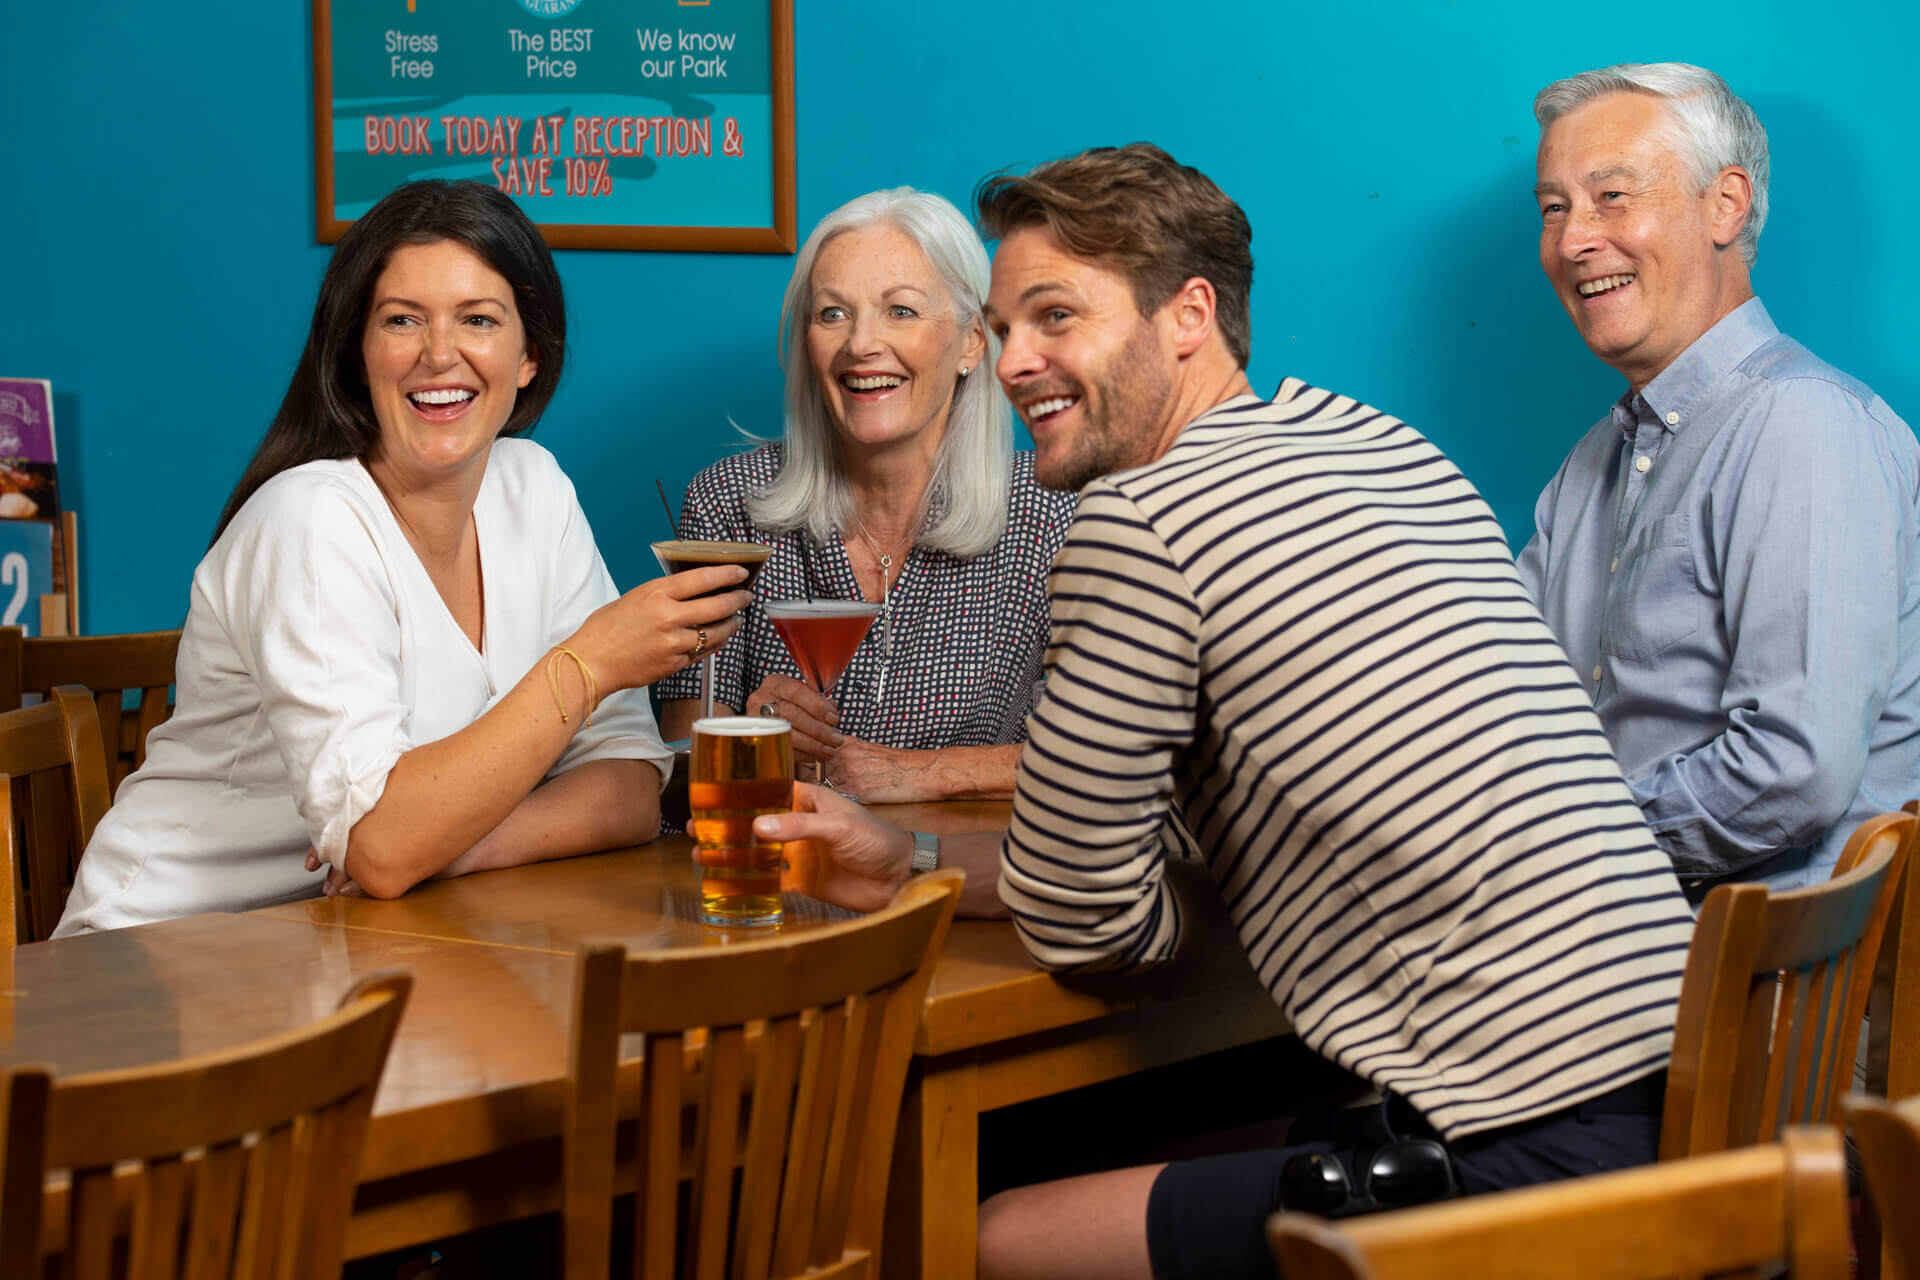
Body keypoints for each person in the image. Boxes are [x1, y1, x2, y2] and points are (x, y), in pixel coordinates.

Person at [755, 143, 1698, 1280]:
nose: (1014, 364)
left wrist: (1152, 896)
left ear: (1189, 314)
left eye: (1056, 317)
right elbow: (1183, 842)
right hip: (1686, 1099)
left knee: (987, 1236)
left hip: (1522, 1145)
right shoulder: (1382, 446)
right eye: (1003, 328)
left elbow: (1089, 925)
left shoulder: (1135, 525)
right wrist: (906, 853)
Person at [55, 180, 749, 935]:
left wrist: (451, 850)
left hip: (363, 939)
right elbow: (382, 845)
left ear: (528, 360)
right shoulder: (310, 520)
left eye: (478, 320)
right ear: (357, 354)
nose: (439, 354)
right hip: (162, 956)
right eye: (402, 321)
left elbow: (629, 794)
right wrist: (588, 663)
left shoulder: (534, 490)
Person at [1520, 62, 1920, 895]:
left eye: (1611, 198)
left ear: (1725, 204)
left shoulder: (1803, 425)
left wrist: (1565, 867)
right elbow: (1505, 701)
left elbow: (1792, 769)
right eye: (1554, 208)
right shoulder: (1589, 468)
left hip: (1760, 992)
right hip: (1616, 948)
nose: (1571, 241)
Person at [657, 188, 1076, 802]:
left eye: (901, 311)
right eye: (833, 314)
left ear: (972, 342)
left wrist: (921, 773)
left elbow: (1121, 751)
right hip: (774, 870)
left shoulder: (1053, 514)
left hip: (966, 878)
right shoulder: (730, 502)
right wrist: (753, 736)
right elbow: (677, 752)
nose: (861, 345)